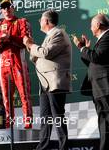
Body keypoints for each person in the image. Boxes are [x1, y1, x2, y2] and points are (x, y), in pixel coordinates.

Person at [24, 10, 71, 150]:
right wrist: (30, 45)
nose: (39, 22)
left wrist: (31, 45)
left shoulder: (58, 33)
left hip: (55, 82)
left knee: (57, 115)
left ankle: (64, 146)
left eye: (40, 19)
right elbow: (36, 57)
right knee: (45, 117)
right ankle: (42, 146)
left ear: (46, 21)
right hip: (45, 83)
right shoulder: (50, 35)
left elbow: (46, 53)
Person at [0, 0, 33, 129]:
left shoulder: (21, 22)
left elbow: (26, 42)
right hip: (4, 65)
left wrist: (11, 38)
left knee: (24, 95)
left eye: (8, 7)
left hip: (18, 62)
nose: (6, 10)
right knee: (6, 98)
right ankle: (8, 125)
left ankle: (28, 124)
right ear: (1, 11)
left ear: (13, 8)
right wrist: (1, 41)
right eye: (3, 8)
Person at [72, 14, 109, 150]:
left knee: (106, 122)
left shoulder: (107, 37)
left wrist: (82, 47)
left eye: (92, 25)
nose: (90, 27)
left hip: (104, 88)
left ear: (98, 25)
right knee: (104, 122)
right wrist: (86, 49)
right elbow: (93, 62)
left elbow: (96, 57)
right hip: (99, 88)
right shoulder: (102, 40)